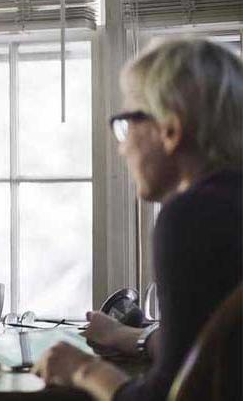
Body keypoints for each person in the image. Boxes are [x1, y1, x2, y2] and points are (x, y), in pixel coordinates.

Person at [32, 38, 242, 400]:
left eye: (128, 122)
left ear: (170, 130)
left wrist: (83, 369)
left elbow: (168, 396)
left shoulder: (191, 218)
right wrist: (125, 336)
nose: (121, 145)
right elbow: (206, 347)